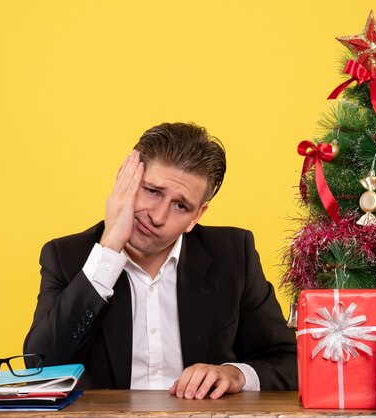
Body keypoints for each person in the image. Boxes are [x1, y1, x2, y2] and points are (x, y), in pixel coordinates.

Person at [23, 122, 297, 400]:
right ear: (125, 180)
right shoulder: (68, 257)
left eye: (180, 205)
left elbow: (289, 362)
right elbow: (41, 367)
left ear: (197, 216)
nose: (157, 216)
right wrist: (109, 250)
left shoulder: (234, 254)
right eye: (152, 191)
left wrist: (236, 374)